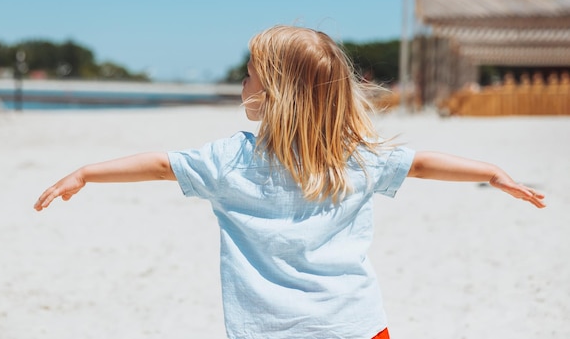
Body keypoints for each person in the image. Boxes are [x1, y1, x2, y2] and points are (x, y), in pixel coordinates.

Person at [34, 25, 545, 339]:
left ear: (275, 93)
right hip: (358, 325)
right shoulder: (354, 158)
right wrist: (493, 172)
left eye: (250, 74)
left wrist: (85, 173)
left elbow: (161, 166)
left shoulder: (232, 158)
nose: (243, 81)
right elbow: (424, 164)